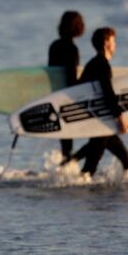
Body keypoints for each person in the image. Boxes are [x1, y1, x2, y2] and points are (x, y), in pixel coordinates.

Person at [73, 27, 128, 176]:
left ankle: (65, 165)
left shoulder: (94, 63)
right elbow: (107, 93)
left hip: (99, 118)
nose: (115, 45)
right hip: (101, 120)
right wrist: (120, 118)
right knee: (92, 166)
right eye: (113, 41)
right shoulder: (102, 64)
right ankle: (67, 168)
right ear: (106, 42)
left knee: (125, 160)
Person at [48, 11, 84, 162]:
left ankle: (65, 165)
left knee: (65, 142)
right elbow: (71, 77)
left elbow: (52, 71)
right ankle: (68, 166)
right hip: (68, 97)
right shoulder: (72, 49)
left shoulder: (54, 45)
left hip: (55, 94)